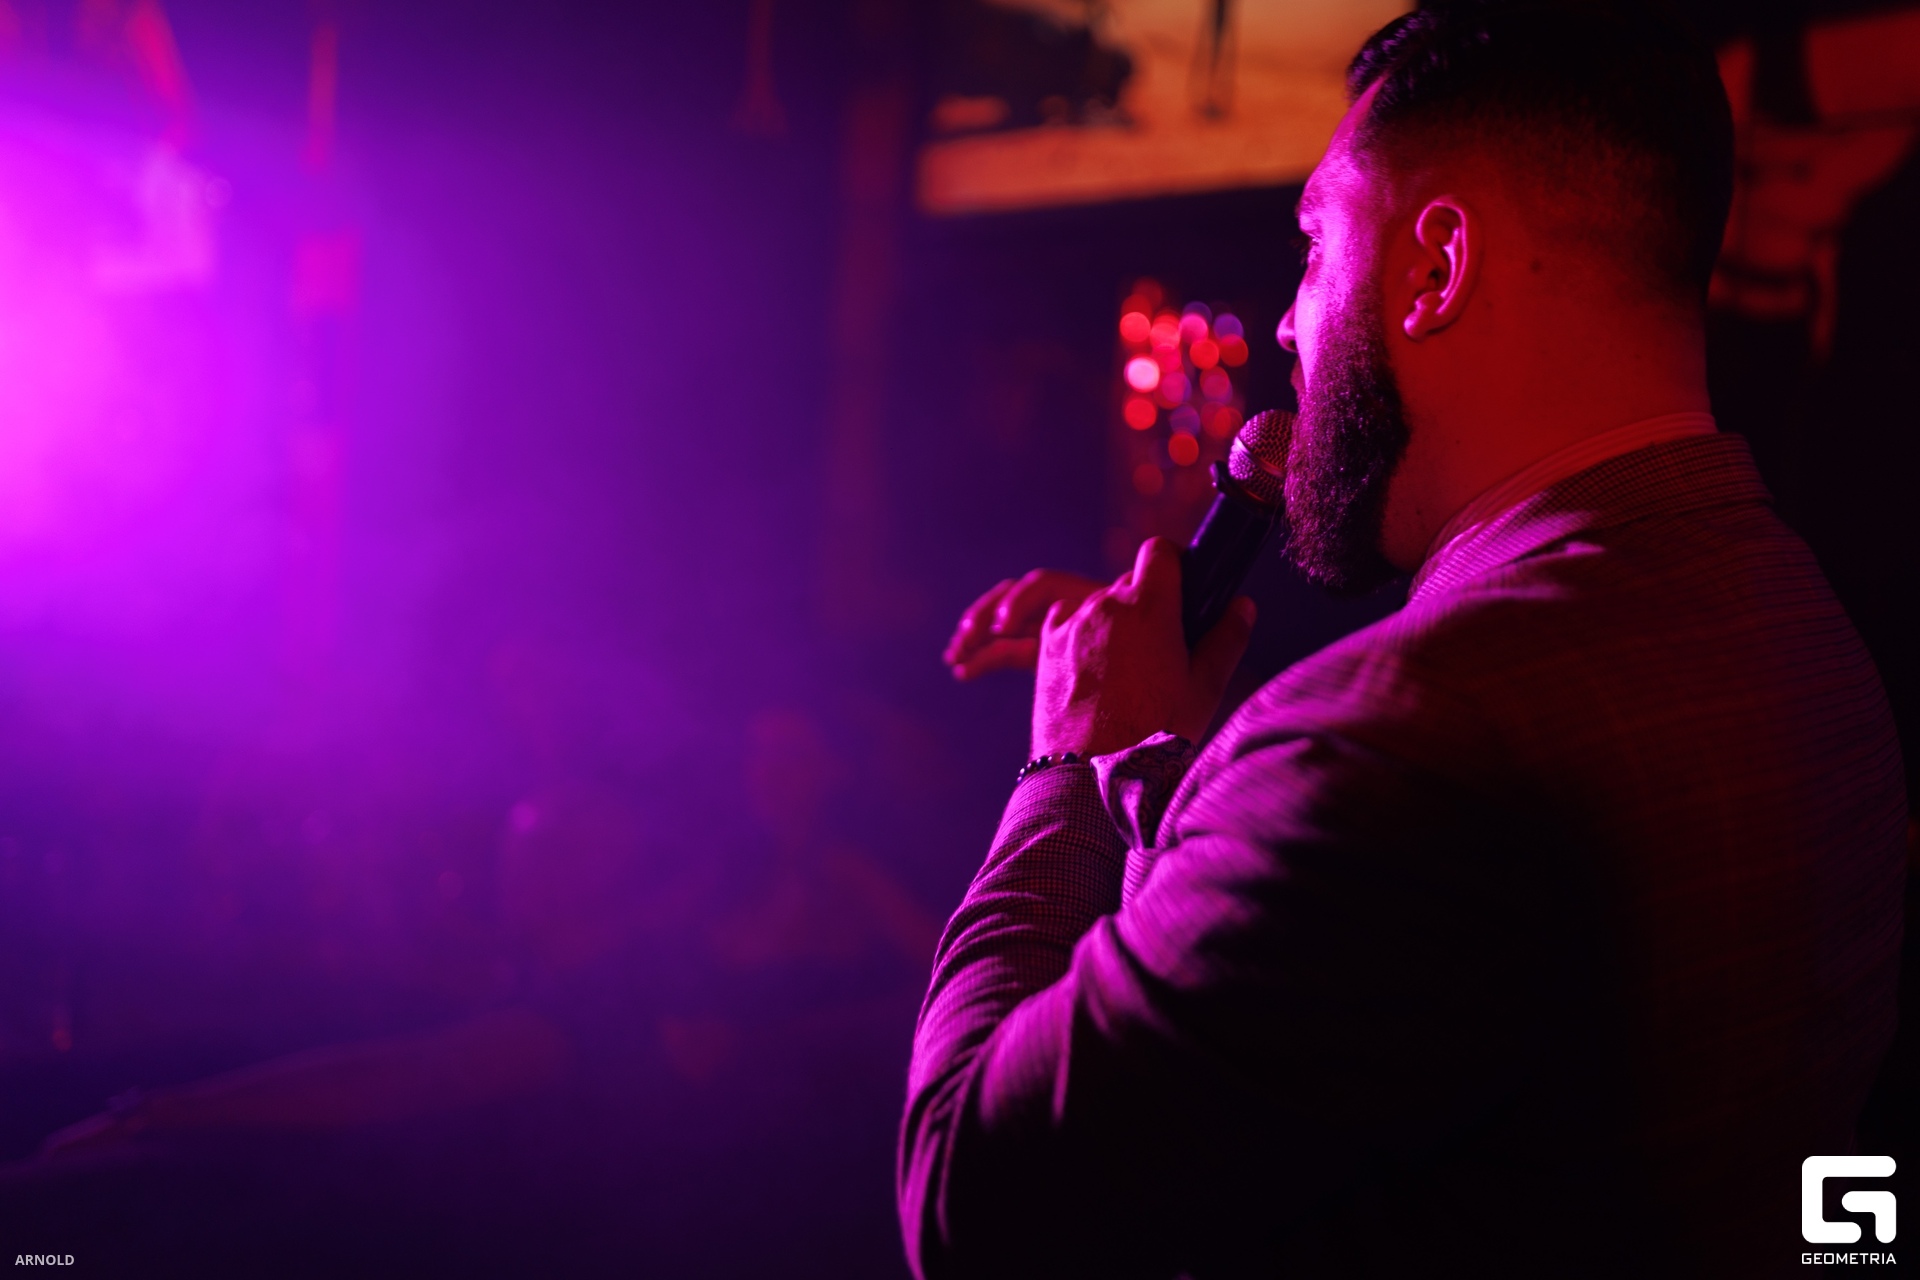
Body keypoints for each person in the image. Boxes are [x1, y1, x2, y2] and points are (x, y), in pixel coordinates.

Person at [900, 3, 1908, 1277]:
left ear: (1436, 266)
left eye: (1315, 243)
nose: (1286, 324)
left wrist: (1075, 763)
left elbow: (971, 1203)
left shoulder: (1387, 741)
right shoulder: (1800, 616)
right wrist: (1171, 773)